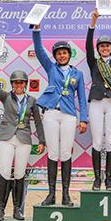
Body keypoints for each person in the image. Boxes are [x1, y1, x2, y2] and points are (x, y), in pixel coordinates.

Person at [32, 24, 88, 207]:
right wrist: (36, 31)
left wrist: (83, 119)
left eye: (64, 52)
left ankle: (65, 194)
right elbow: (39, 51)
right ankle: (50, 194)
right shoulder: (51, 68)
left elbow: (82, 98)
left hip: (69, 115)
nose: (61, 55)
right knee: (53, 153)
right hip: (50, 114)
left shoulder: (77, 74)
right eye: (58, 53)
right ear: (55, 56)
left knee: (65, 153)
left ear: (69, 54)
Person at [0, 53, 46, 220]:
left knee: (20, 174)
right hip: (6, 138)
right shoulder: (6, 96)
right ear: (12, 84)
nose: (18, 85)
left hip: (24, 139)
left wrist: (41, 140)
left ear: (25, 84)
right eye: (16, 82)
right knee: (5, 172)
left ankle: (18, 210)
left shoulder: (32, 101)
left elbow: (38, 123)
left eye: (21, 82)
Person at [86, 8, 111, 191]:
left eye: (108, 46)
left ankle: (108, 179)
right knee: (96, 141)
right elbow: (87, 46)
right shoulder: (94, 63)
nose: (105, 48)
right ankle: (96, 178)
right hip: (95, 102)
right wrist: (93, 23)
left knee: (110, 141)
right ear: (98, 49)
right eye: (102, 46)